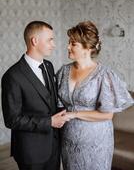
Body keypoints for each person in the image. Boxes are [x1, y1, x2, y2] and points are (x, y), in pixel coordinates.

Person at [57, 21, 134, 170]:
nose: (68, 47)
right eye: (69, 43)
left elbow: (107, 115)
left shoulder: (104, 75)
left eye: (73, 44)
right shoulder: (63, 72)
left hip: (96, 141)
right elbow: (58, 105)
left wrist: (74, 114)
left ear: (87, 48)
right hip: (68, 139)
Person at [1, 21, 70, 170]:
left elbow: (50, 101)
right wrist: (49, 122)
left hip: (53, 145)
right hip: (30, 151)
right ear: (35, 41)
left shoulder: (49, 66)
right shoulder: (12, 76)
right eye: (50, 39)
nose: (54, 44)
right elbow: (12, 120)